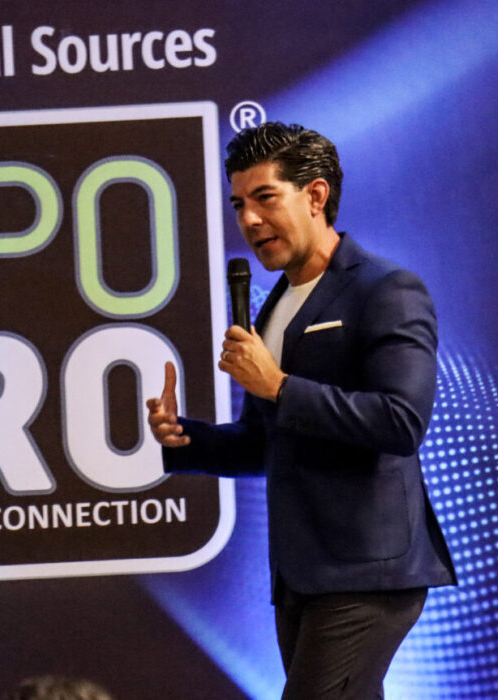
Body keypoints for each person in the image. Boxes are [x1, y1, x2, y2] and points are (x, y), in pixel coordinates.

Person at [146, 122, 456, 699]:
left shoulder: (387, 289)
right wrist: (184, 438)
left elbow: (401, 422)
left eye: (265, 198)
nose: (249, 220)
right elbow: (265, 442)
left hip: (367, 570)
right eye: (239, 205)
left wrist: (281, 386)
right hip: (299, 573)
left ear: (315, 196)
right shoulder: (274, 307)